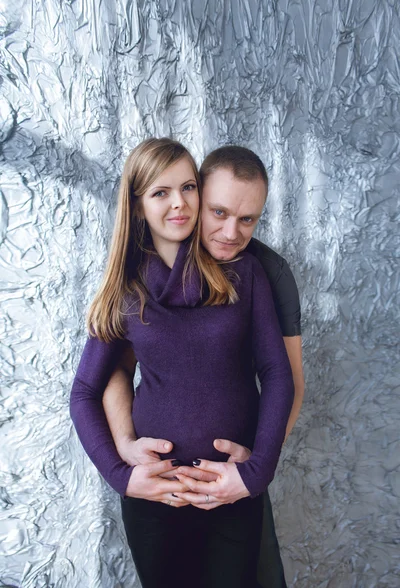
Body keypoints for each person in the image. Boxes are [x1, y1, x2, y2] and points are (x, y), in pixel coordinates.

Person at [70, 138, 295, 588]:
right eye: (160, 192)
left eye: (189, 187)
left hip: (229, 493)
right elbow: (84, 391)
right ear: (137, 208)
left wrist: (255, 473)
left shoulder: (245, 273)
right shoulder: (127, 289)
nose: (179, 202)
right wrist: (121, 475)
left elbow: (278, 376)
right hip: (156, 499)